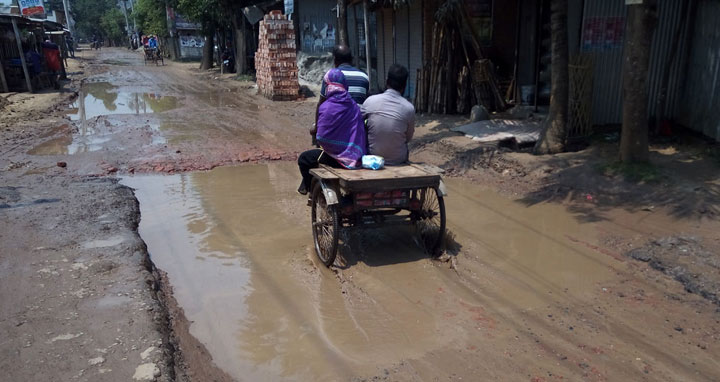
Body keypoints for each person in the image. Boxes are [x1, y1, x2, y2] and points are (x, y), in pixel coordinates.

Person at [297, 69, 367, 195]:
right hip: (356, 157)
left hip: (337, 159)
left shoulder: (326, 107)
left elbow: (322, 138)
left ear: (326, 86)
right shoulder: (354, 106)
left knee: (303, 159)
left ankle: (309, 189)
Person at [311, 45, 369, 146]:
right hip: (357, 126)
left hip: (335, 125)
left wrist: (317, 128)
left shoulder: (331, 76)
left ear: (335, 60)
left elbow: (321, 104)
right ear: (351, 59)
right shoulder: (364, 77)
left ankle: (320, 151)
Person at [361, 64, 415, 166]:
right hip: (398, 160)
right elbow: (408, 137)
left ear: (386, 81)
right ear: (404, 86)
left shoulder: (370, 101)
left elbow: (356, 124)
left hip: (372, 157)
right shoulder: (409, 108)